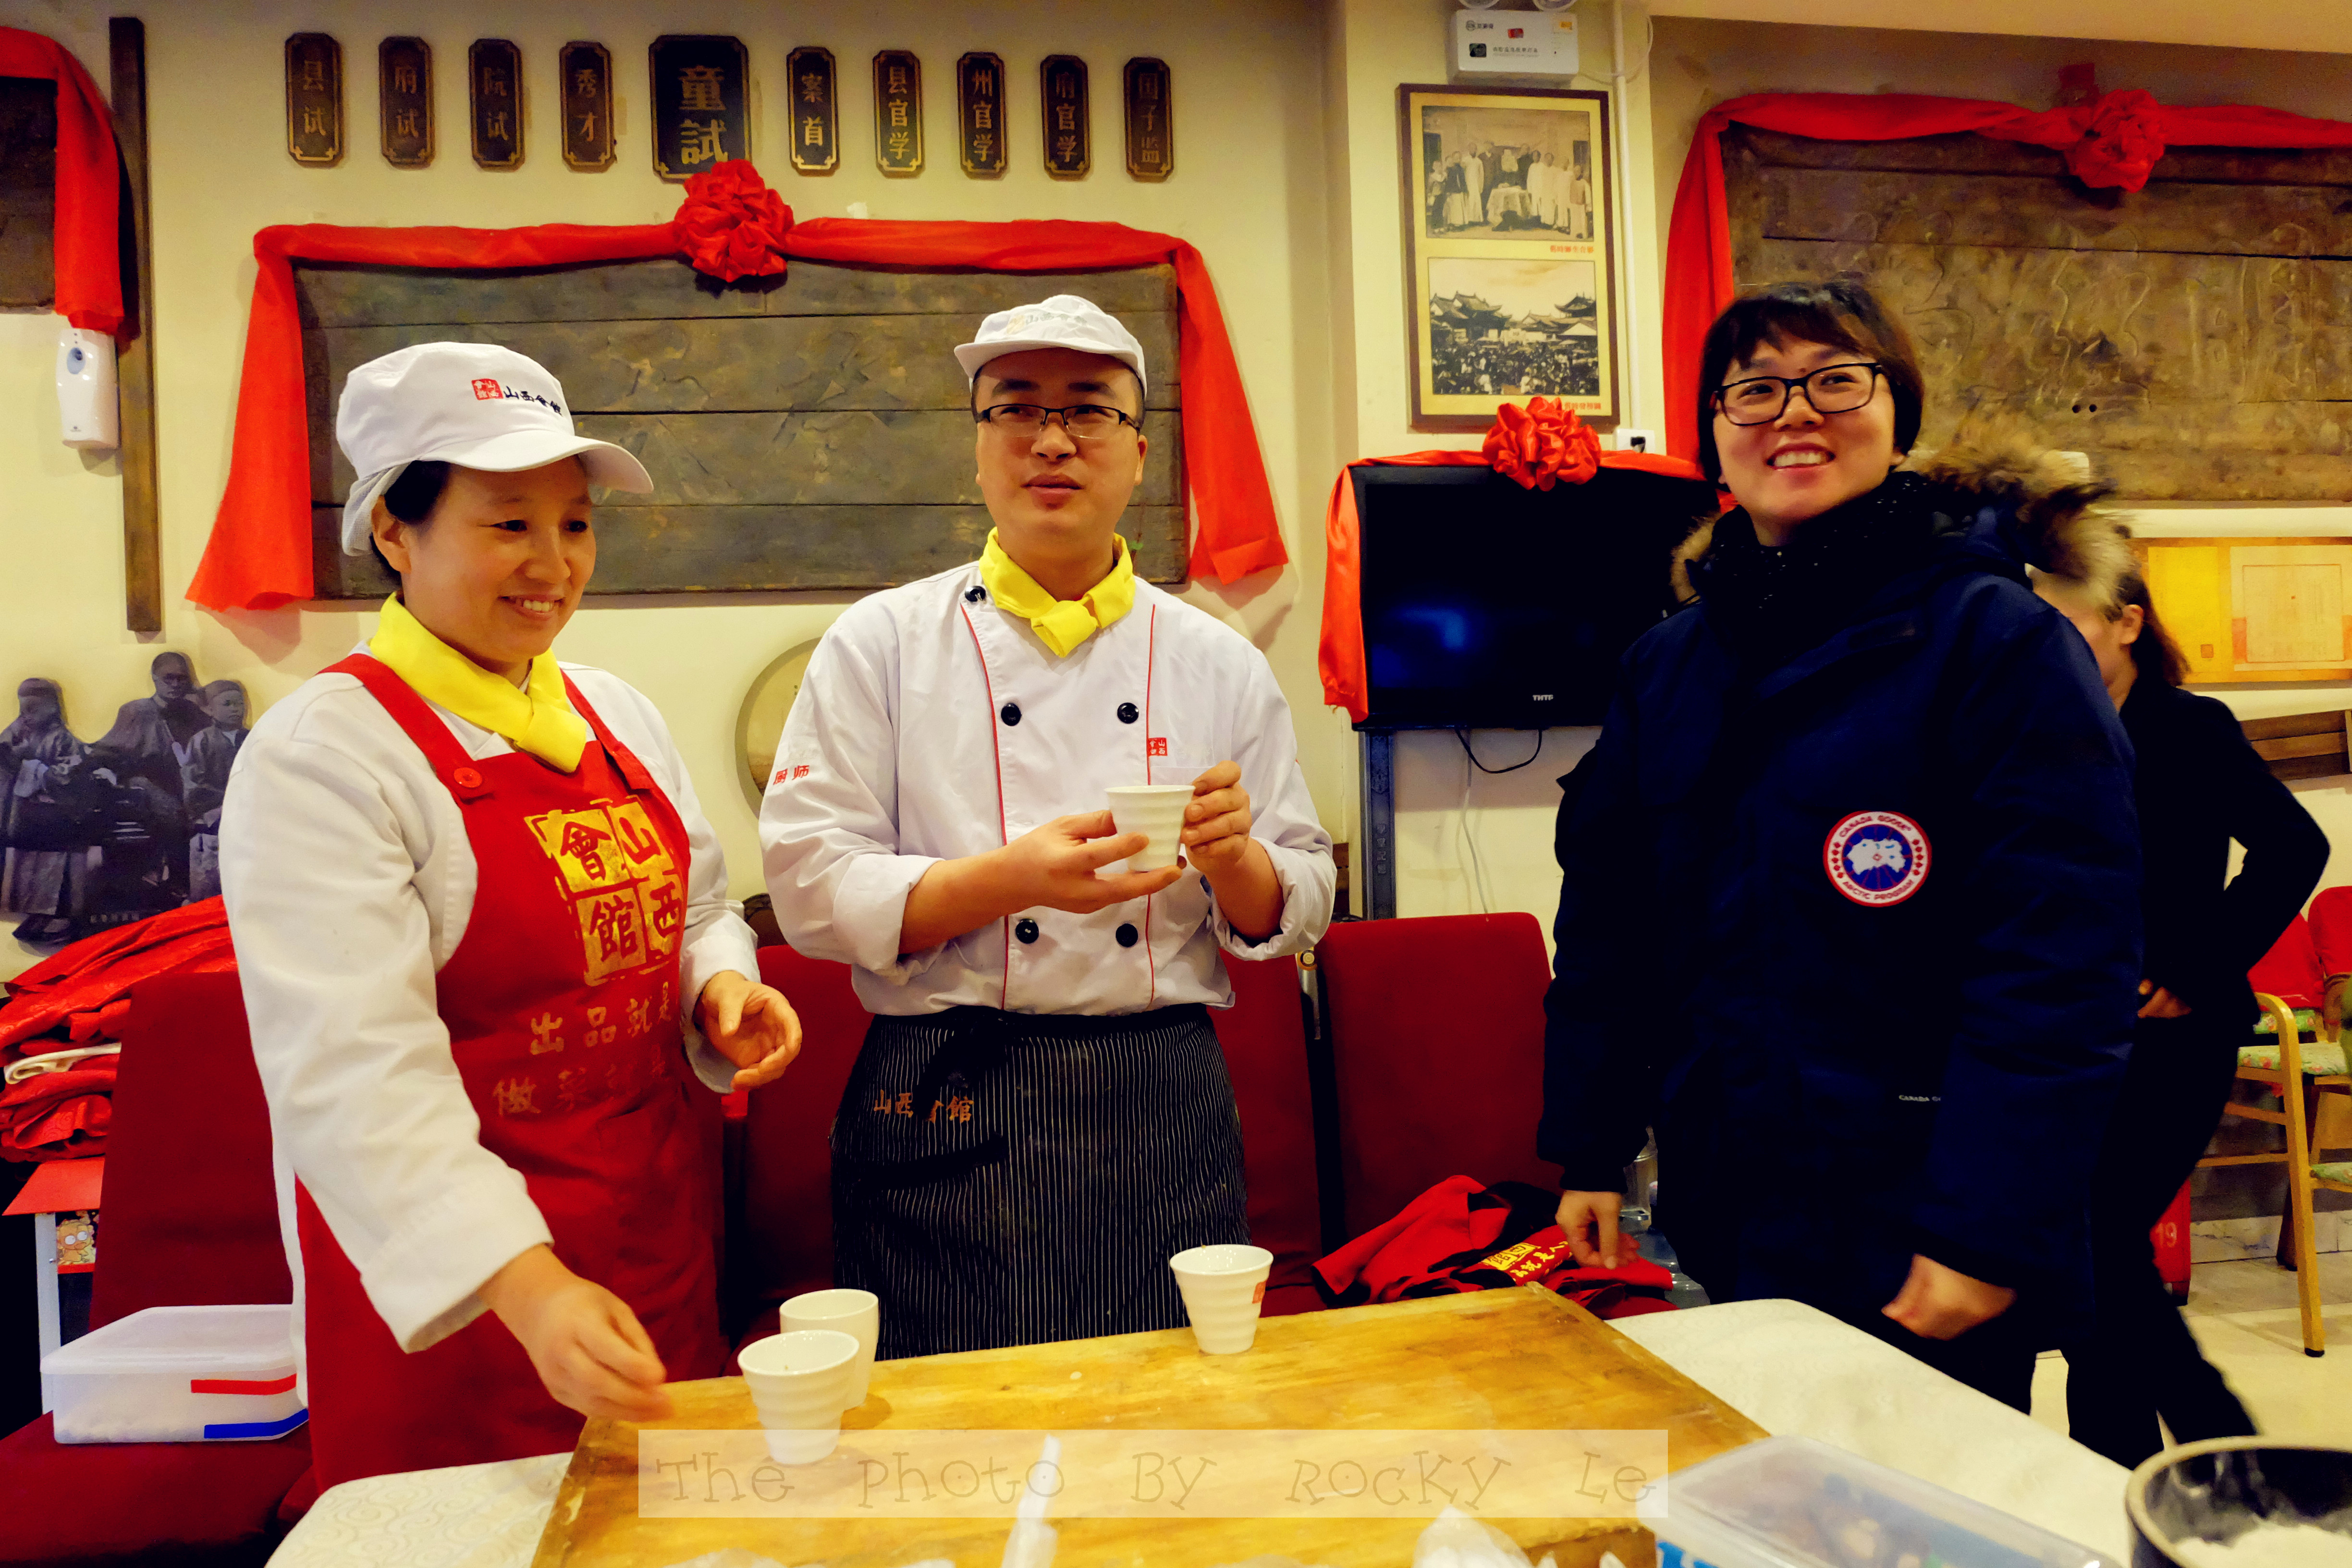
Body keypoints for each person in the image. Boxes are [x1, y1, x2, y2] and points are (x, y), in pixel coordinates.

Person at [1541, 279, 2142, 1409]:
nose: (1794, 414)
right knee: (1767, 1471)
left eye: (1834, 380)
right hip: (1732, 1185)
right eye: (1755, 389)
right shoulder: (1669, 664)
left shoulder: (1996, 642)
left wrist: (1984, 1224)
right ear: (1716, 432)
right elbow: (1613, 921)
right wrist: (1590, 1146)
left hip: (1922, 1208)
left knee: (1931, 1491)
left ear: (1897, 415)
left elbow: (2059, 963)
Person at [221, 342, 802, 1491]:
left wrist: (720, 984)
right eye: (507, 525)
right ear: (395, 531)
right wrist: (527, 1287)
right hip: (465, 1306)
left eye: (575, 524)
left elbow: (698, 904)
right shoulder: (324, 756)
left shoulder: (614, 712)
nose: (554, 563)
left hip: (651, 1243)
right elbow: (354, 1074)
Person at [761, 295, 1335, 1360]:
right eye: (1016, 408)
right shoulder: (881, 642)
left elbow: (1297, 901)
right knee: (951, 1417)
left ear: (1139, 452)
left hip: (1160, 1095)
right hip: (945, 1079)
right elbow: (807, 886)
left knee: (1168, 1404)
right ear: (978, 445)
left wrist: (1234, 858)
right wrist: (1011, 880)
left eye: (1088, 410)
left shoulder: (1216, 657)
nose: (1052, 439)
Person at [2035, 564, 2324, 1465]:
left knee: (2094, 1240)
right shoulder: (2039, 728)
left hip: (2174, 1038)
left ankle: (2221, 1445)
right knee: (2094, 1255)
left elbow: (2295, 845)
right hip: (2069, 1035)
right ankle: (2124, 1467)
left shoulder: (2189, 726)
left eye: (2063, 622)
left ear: (2127, 622)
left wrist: (2199, 966)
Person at [0, 678, 89, 941]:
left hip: (53, 820)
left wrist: (35, 768)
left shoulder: (63, 739)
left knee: (51, 871)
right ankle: (34, 916)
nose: (27, 715)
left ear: (52, 708)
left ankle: (56, 919)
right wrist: (13, 755)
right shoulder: (17, 732)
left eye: (33, 709)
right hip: (24, 818)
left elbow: (69, 775)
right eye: (23, 709)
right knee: (26, 867)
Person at [180, 680, 249, 903]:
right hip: (212, 823)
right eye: (227, 704)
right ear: (209, 709)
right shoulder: (202, 741)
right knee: (209, 887)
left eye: (239, 703)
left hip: (249, 818)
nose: (235, 709)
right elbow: (193, 785)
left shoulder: (253, 738)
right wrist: (221, 806)